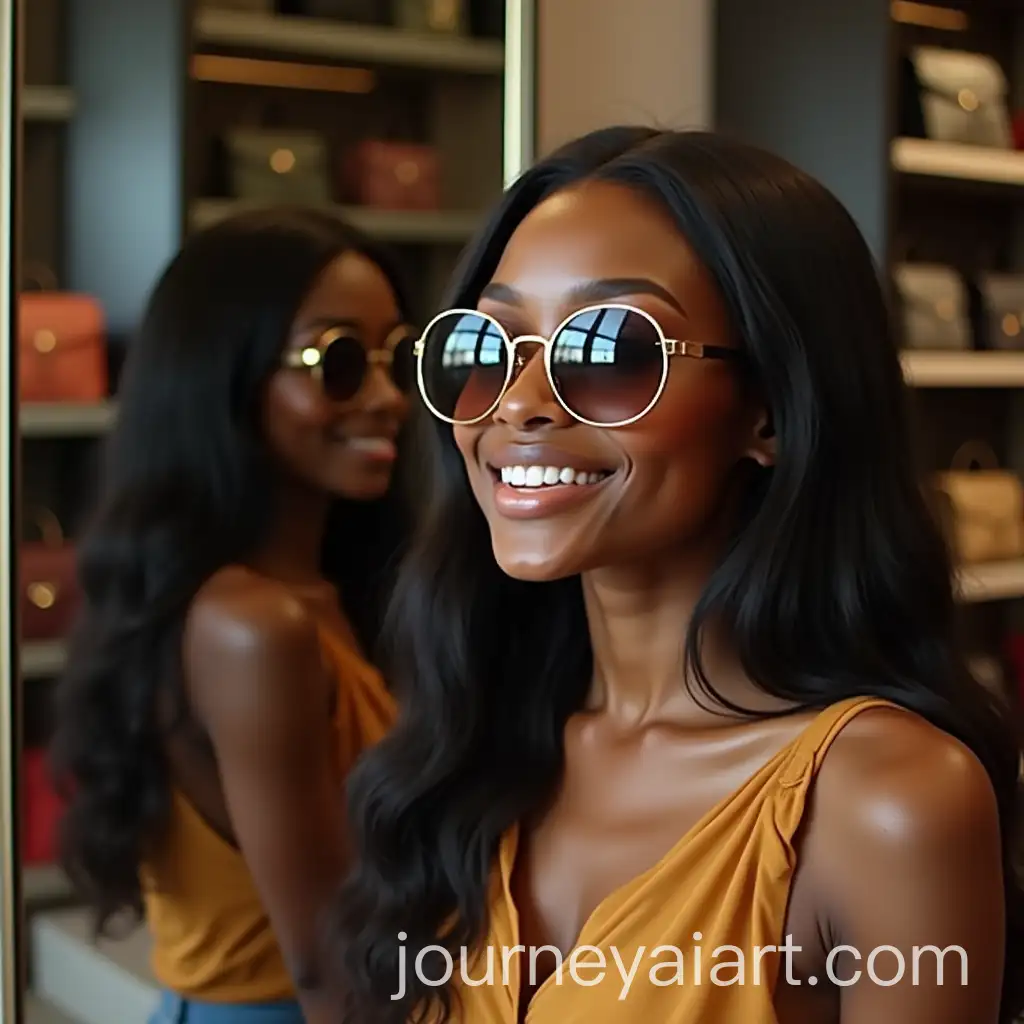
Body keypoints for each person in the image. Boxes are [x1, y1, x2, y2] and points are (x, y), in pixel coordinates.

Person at [328, 127, 1024, 1024]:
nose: (520, 403)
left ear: (769, 411)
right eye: (488, 346)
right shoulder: (468, 745)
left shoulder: (887, 803)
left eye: (609, 349)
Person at [49, 206, 414, 1024]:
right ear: (226, 375)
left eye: (399, 356)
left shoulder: (316, 597)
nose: (389, 397)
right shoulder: (251, 626)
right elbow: (327, 963)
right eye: (340, 361)